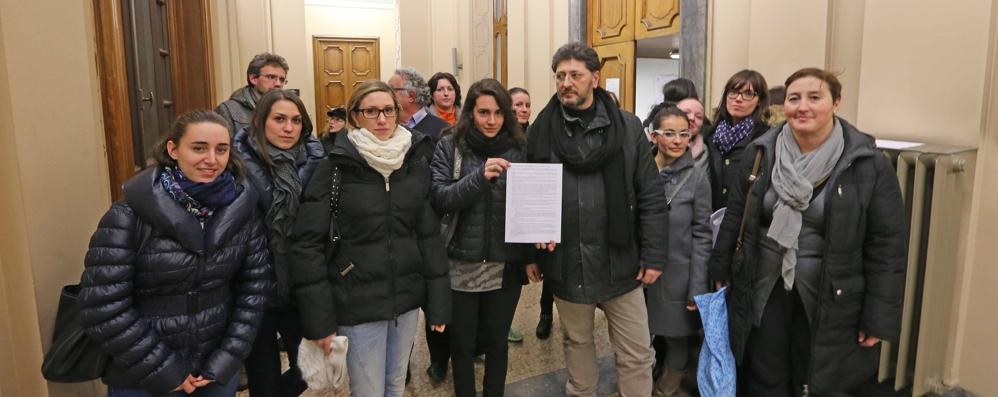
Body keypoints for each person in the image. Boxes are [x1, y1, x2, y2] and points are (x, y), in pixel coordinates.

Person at [708, 68, 907, 396]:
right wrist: (719, 269)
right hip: (765, 285)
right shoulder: (761, 154)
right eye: (793, 98)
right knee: (764, 374)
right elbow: (736, 218)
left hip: (829, 293)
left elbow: (886, 246)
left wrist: (878, 317)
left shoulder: (867, 165)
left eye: (815, 97)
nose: (803, 106)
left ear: (836, 103)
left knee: (813, 378)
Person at [78, 110, 272, 396]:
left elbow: (253, 292)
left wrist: (226, 359)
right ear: (173, 149)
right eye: (199, 148)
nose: (212, 160)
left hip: (212, 373)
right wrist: (167, 371)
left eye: (222, 149)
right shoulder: (129, 215)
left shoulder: (242, 212)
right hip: (144, 375)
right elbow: (103, 306)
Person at [290, 80, 450, 397]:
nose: (381, 119)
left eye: (388, 110)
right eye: (371, 111)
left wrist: (439, 304)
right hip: (356, 300)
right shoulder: (336, 166)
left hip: (405, 301)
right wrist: (320, 321)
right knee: (368, 391)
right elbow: (306, 245)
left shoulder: (413, 163)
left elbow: (428, 236)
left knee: (394, 384)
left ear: (398, 113)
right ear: (355, 116)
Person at [526, 42, 668, 397]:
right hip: (567, 262)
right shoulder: (540, 131)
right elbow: (529, 197)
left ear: (595, 77)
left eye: (575, 74)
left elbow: (650, 194)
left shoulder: (628, 127)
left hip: (621, 262)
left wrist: (653, 254)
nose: (566, 82)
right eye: (560, 76)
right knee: (576, 343)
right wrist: (530, 251)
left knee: (636, 352)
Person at [431, 78, 536, 397]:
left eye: (498, 113)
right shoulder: (450, 144)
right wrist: (479, 178)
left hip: (505, 265)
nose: (491, 121)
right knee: (461, 346)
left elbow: (531, 202)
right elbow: (439, 198)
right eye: (483, 112)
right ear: (470, 113)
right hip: (461, 264)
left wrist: (534, 249)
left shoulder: (520, 148)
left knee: (497, 344)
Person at [233, 90, 324, 397]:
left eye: (296, 121)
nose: (288, 128)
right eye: (280, 119)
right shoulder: (236, 163)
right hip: (254, 288)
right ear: (261, 122)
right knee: (263, 377)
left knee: (313, 369)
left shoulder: (315, 162)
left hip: (298, 285)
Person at [644, 105, 712, 397]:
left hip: (678, 274)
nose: (676, 140)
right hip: (639, 272)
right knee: (636, 338)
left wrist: (697, 286)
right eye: (668, 133)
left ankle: (665, 389)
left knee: (676, 339)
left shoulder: (697, 178)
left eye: (683, 134)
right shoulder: (641, 172)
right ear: (653, 135)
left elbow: (702, 234)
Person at [701, 69, 771, 211]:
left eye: (748, 94)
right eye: (733, 92)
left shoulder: (765, 139)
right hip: (708, 218)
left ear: (759, 101)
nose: (738, 99)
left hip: (742, 220)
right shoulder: (709, 135)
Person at [215, 53, 290, 134]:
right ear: (253, 79)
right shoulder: (227, 111)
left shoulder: (288, 109)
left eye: (282, 80)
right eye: (271, 77)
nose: (278, 84)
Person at [389, 67, 450, 144]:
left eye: (391, 90)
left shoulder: (443, 130)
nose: (386, 94)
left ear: (411, 96)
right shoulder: (387, 126)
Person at [676, 98, 708, 168]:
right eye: (686, 113)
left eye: (698, 117)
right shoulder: (653, 149)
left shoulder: (706, 155)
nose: (692, 118)